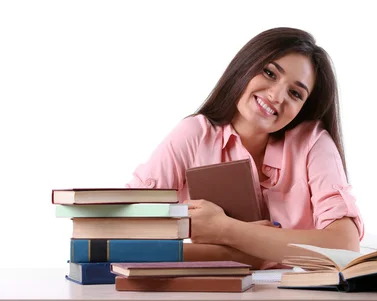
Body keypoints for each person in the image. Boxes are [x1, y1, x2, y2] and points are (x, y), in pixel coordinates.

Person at [126, 27, 364, 270]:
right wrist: (259, 252)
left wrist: (226, 230)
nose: (276, 95)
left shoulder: (313, 142)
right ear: (245, 67)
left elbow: (344, 247)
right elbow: (126, 232)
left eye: (295, 93)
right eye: (270, 73)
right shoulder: (195, 134)